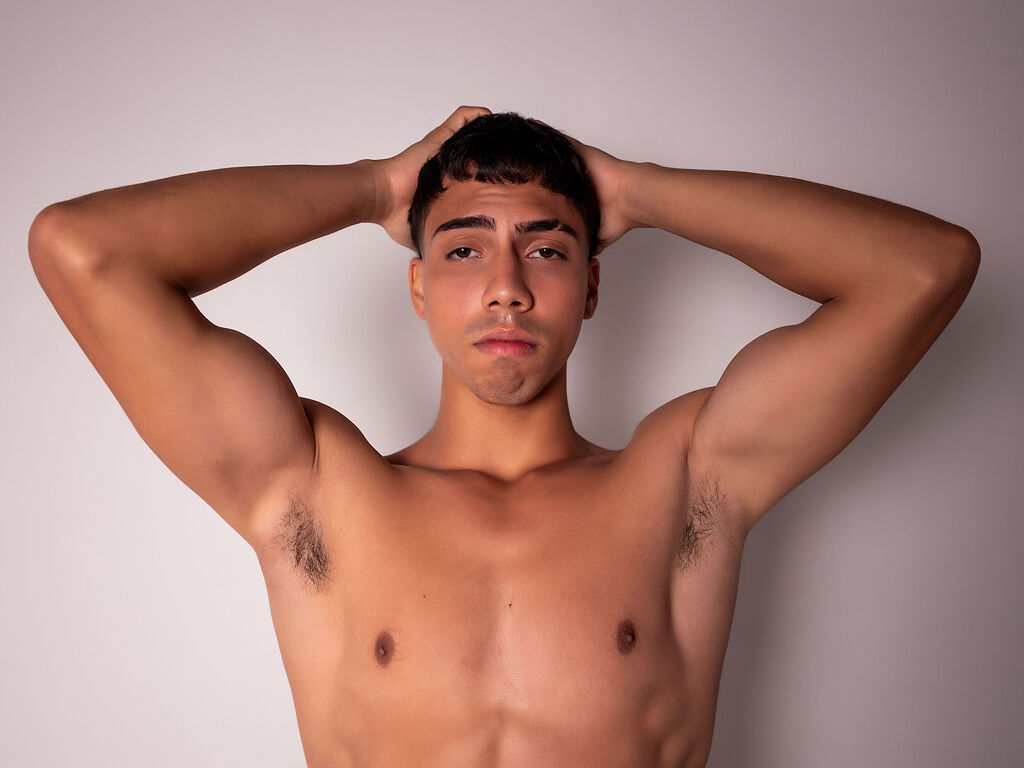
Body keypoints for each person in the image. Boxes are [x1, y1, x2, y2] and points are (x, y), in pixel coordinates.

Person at [28, 105, 979, 767]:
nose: (507, 286)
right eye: (464, 247)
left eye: (548, 248)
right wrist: (374, 186)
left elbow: (925, 268)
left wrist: (634, 189)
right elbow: (84, 249)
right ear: (419, 285)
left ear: (592, 285)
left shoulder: (686, 479)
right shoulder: (317, 487)